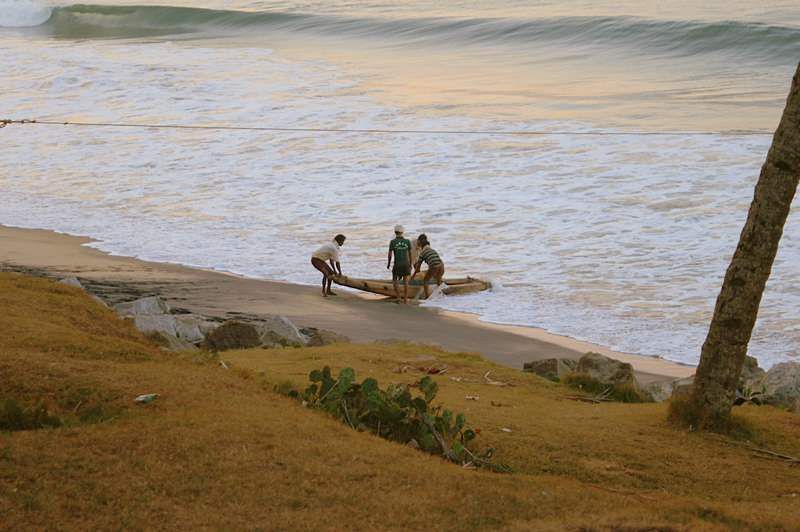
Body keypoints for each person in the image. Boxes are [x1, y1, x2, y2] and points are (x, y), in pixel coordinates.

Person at [412, 233, 445, 299]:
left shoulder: (422, 253)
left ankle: (427, 297)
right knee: (438, 280)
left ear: (422, 246)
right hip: (442, 265)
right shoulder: (433, 250)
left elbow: (418, 267)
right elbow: (438, 260)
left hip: (434, 266)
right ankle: (441, 295)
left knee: (425, 281)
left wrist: (412, 277)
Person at [387, 224, 412, 304]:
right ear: (402, 232)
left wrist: (388, 263)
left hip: (397, 264)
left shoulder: (393, 242)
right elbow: (410, 254)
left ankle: (398, 298)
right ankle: (405, 299)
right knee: (405, 282)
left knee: (395, 280)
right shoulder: (407, 241)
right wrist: (410, 264)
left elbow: (390, 254)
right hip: (406, 264)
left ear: (395, 232)